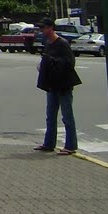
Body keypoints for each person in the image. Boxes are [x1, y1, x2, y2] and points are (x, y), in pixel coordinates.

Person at [33, 17, 82, 155]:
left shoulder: (62, 43)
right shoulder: (48, 43)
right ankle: (49, 144)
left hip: (64, 85)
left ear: (50, 28)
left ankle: (71, 146)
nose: (41, 31)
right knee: (50, 115)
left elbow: (69, 63)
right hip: (52, 84)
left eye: (43, 28)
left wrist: (52, 63)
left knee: (67, 116)